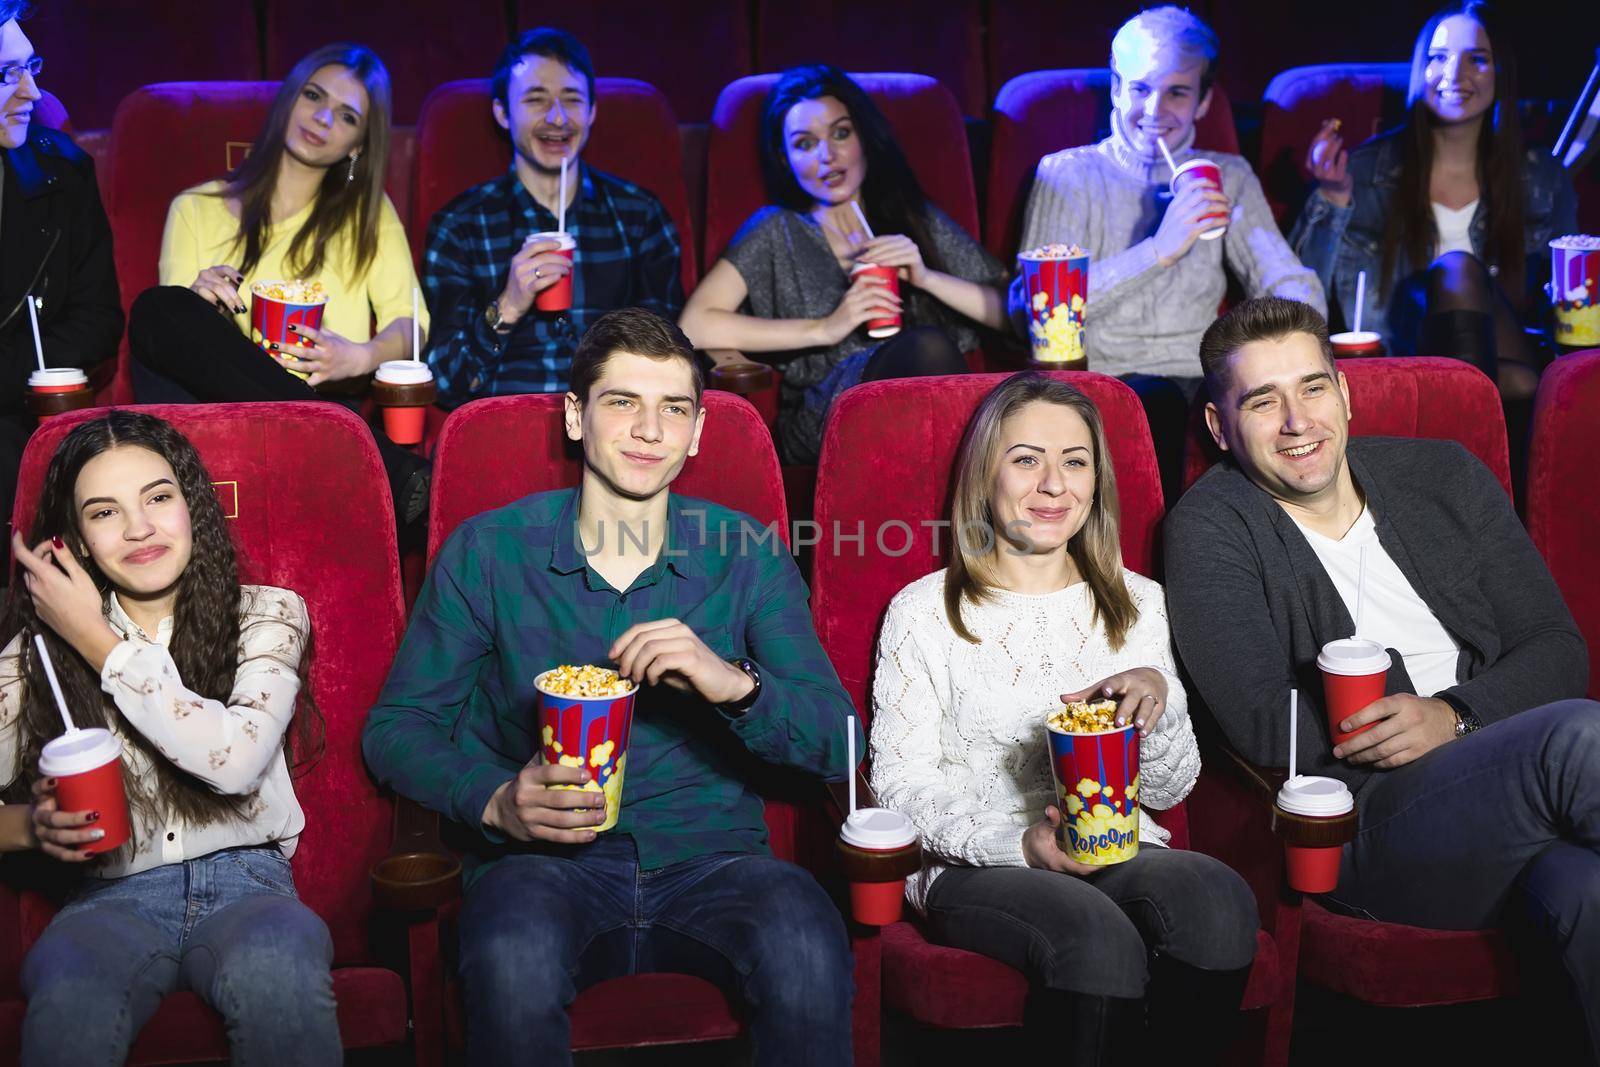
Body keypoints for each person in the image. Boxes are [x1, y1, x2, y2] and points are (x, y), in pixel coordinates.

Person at [363, 308, 860, 1065]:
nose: (649, 430)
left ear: (697, 434)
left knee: (807, 939)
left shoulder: (746, 554)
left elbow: (837, 739)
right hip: (542, 867)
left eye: (674, 409)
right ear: (575, 416)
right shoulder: (491, 552)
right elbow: (396, 729)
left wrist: (734, 683)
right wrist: (496, 798)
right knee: (511, 957)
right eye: (623, 402)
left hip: (716, 857)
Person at [1165, 297, 1600, 1057]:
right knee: (1579, 737)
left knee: (1582, 890)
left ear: (1346, 392)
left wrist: (1454, 712)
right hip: (1372, 826)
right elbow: (1259, 718)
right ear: (1219, 427)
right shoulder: (1211, 526)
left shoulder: (1442, 475)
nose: (1297, 421)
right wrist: (1406, 714)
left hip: (1505, 790)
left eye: (1312, 388)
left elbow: (1556, 647)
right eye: (1263, 401)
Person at [870, 373, 1257, 1064]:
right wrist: (1023, 844)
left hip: (1117, 846)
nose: (1054, 484)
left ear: (1096, 480)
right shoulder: (924, 610)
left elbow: (1169, 790)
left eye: (1074, 461)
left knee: (1219, 898)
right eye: (1026, 459)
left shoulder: (1139, 603)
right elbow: (898, 786)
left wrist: (1157, 699)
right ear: (984, 473)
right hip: (977, 864)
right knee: (1095, 933)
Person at [0, 411, 337, 1065]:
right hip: (109, 894)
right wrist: (25, 827)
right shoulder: (36, 652)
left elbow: (233, 759)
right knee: (68, 989)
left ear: (192, 506)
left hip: (250, 884)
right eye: (104, 512)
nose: (138, 528)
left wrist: (99, 645)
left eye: (158, 497)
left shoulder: (267, 613)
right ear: (75, 539)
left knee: (280, 966)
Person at [1011, 5, 1324, 501]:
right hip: (1098, 378)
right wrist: (1158, 248)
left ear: (1202, 102)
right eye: (1140, 88)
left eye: (1177, 91)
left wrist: (1292, 347)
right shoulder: (1068, 174)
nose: (1155, 110)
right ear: (1116, 90)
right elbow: (1034, 311)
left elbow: (1289, 282)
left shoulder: (1228, 176)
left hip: (1201, 376)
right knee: (1156, 402)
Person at [125, 43, 429, 546]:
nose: (323, 117)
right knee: (160, 309)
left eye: (347, 115)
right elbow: (172, 342)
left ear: (358, 144)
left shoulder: (368, 215)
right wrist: (200, 303)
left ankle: (335, 435)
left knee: (164, 311)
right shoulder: (195, 208)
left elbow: (412, 323)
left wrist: (361, 355)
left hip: (330, 406)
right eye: (313, 95)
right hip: (222, 420)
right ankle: (377, 461)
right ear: (289, 98)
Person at [1291, 2, 1575, 498]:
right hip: (1404, 353)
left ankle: (1459, 491)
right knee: (1520, 382)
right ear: (1419, 71)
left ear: (1500, 73)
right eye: (1439, 58)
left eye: (1477, 59)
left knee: (1460, 273)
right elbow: (1297, 292)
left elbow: (1568, 296)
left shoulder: (1542, 176)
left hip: (1511, 346)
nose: (1455, 74)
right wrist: (1332, 199)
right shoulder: (1365, 169)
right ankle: (1478, 492)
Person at [679, 64, 1007, 466]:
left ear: (863, 138)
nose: (827, 156)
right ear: (786, 160)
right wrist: (827, 326)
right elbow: (693, 325)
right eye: (804, 144)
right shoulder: (776, 229)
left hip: (930, 407)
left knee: (941, 376)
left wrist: (926, 278)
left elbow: (1013, 314)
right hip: (827, 412)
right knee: (929, 347)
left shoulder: (908, 217)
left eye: (840, 133)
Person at [422, 27, 684, 407]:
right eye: (536, 99)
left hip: (613, 423)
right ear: (502, 112)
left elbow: (669, 359)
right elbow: (444, 383)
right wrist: (507, 306)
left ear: (592, 111)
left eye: (572, 100)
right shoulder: (460, 225)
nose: (557, 117)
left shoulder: (640, 215)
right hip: (503, 423)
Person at [0, 2, 121, 551]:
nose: (31, 92)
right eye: (6, 74)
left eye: (31, 68)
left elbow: (98, 321)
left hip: (17, 415)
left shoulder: (64, 173)